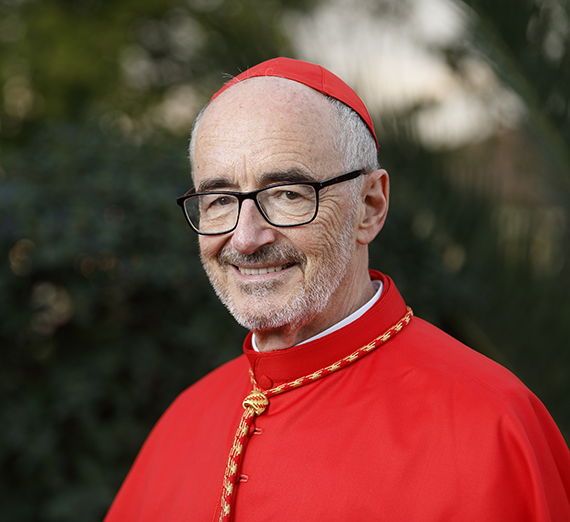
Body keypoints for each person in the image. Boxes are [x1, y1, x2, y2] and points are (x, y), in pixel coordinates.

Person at [103, 57, 570, 522]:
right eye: (220, 200)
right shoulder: (186, 419)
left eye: (288, 193)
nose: (246, 238)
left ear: (370, 206)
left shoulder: (491, 425)